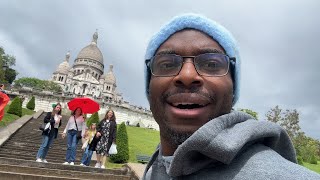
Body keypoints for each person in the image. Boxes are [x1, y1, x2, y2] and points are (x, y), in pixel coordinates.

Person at [142, 14, 320, 179]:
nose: (187, 76)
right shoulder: (154, 169)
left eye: (211, 64)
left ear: (234, 88)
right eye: (166, 64)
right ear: (148, 89)